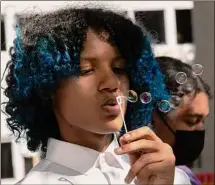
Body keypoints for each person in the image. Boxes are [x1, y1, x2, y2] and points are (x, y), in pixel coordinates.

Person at [3, 7, 191, 184]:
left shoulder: (171, 177)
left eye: (119, 68)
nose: (112, 83)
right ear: (46, 87)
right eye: (86, 70)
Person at [152, 56, 212, 185]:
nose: (200, 130)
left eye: (203, 121)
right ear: (152, 117)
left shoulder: (187, 177)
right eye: (191, 121)